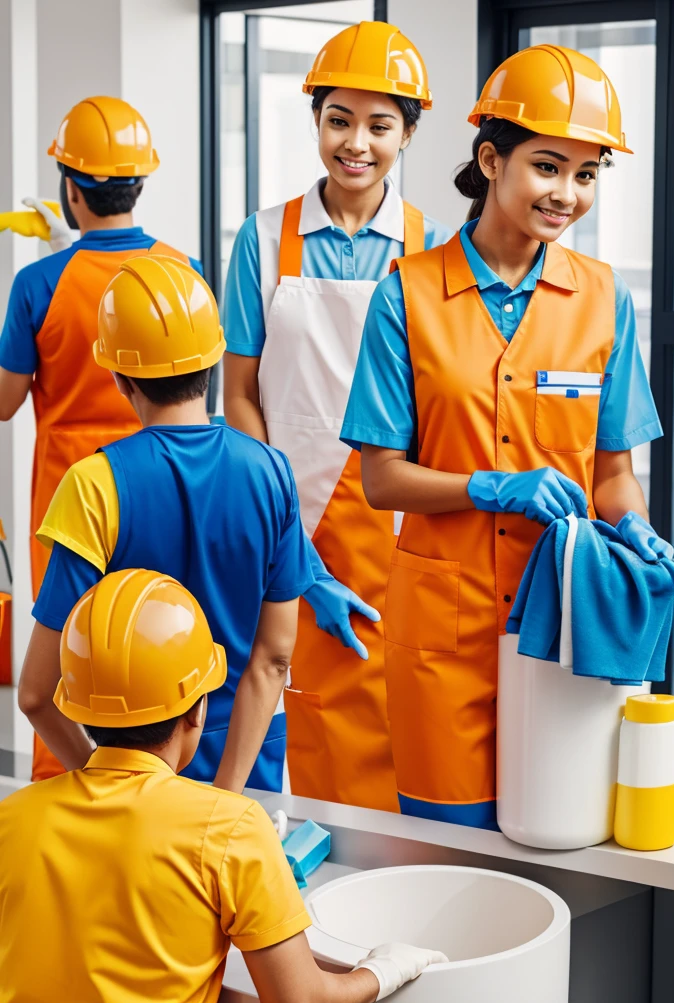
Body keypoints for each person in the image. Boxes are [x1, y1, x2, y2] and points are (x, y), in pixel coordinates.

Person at [341, 45, 670, 828]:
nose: (567, 194)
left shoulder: (602, 301)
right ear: (491, 158)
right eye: (547, 167)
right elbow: (381, 479)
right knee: (450, 850)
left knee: (561, 839)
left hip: (565, 629)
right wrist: (488, 487)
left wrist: (638, 531)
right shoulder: (407, 297)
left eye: (586, 176)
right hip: (444, 638)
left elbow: (613, 472)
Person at [0, 568, 447, 1003]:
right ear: (198, 709)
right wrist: (382, 970)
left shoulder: (11, 816)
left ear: (76, 705)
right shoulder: (229, 829)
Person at [223, 20, 452, 812]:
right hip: (287, 520)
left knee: (390, 709)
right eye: (338, 121)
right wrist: (279, 518)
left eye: (379, 126)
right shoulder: (260, 239)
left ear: (409, 133)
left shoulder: (433, 249)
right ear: (316, 122)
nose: (356, 143)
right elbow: (240, 394)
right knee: (284, 701)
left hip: (396, 523)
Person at [19, 254, 313, 792]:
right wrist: (223, 801)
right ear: (214, 360)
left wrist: (110, 787)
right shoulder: (272, 471)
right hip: (248, 765)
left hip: (135, 778)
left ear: (118, 377)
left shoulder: (95, 486)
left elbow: (37, 693)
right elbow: (274, 660)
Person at [0, 95, 201, 782]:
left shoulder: (37, 283)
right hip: (168, 490)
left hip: (72, 502)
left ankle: (74, 792)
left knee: (73, 650)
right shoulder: (180, 271)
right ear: (139, 184)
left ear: (69, 188)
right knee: (155, 641)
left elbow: (4, 404)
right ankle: (166, 790)